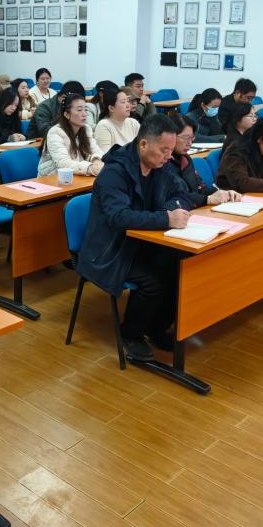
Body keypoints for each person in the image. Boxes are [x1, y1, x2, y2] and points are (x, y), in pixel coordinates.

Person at [77, 114, 191, 361]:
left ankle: (155, 328)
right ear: (143, 144)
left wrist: (169, 211)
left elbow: (181, 193)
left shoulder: (161, 165)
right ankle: (131, 333)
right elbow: (119, 217)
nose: (168, 156)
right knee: (153, 280)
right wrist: (166, 218)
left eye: (170, 150)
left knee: (179, 267)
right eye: (164, 150)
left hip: (142, 241)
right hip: (110, 249)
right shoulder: (114, 172)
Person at [172, 115, 241, 206]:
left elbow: (201, 189)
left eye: (192, 138)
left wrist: (223, 193)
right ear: (170, 136)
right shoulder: (163, 163)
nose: (189, 143)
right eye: (185, 138)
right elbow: (176, 196)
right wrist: (207, 199)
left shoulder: (185, 159)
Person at [38, 93, 103, 177]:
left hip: (77, 176)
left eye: (85, 110)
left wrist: (97, 160)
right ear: (66, 114)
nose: (84, 114)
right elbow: (63, 163)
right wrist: (90, 168)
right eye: (79, 110)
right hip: (52, 178)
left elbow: (96, 150)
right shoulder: (55, 132)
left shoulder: (86, 129)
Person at [93, 87, 140, 154]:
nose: (128, 105)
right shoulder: (104, 126)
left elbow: (143, 147)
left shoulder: (133, 122)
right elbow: (105, 156)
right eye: (123, 102)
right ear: (111, 108)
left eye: (128, 101)